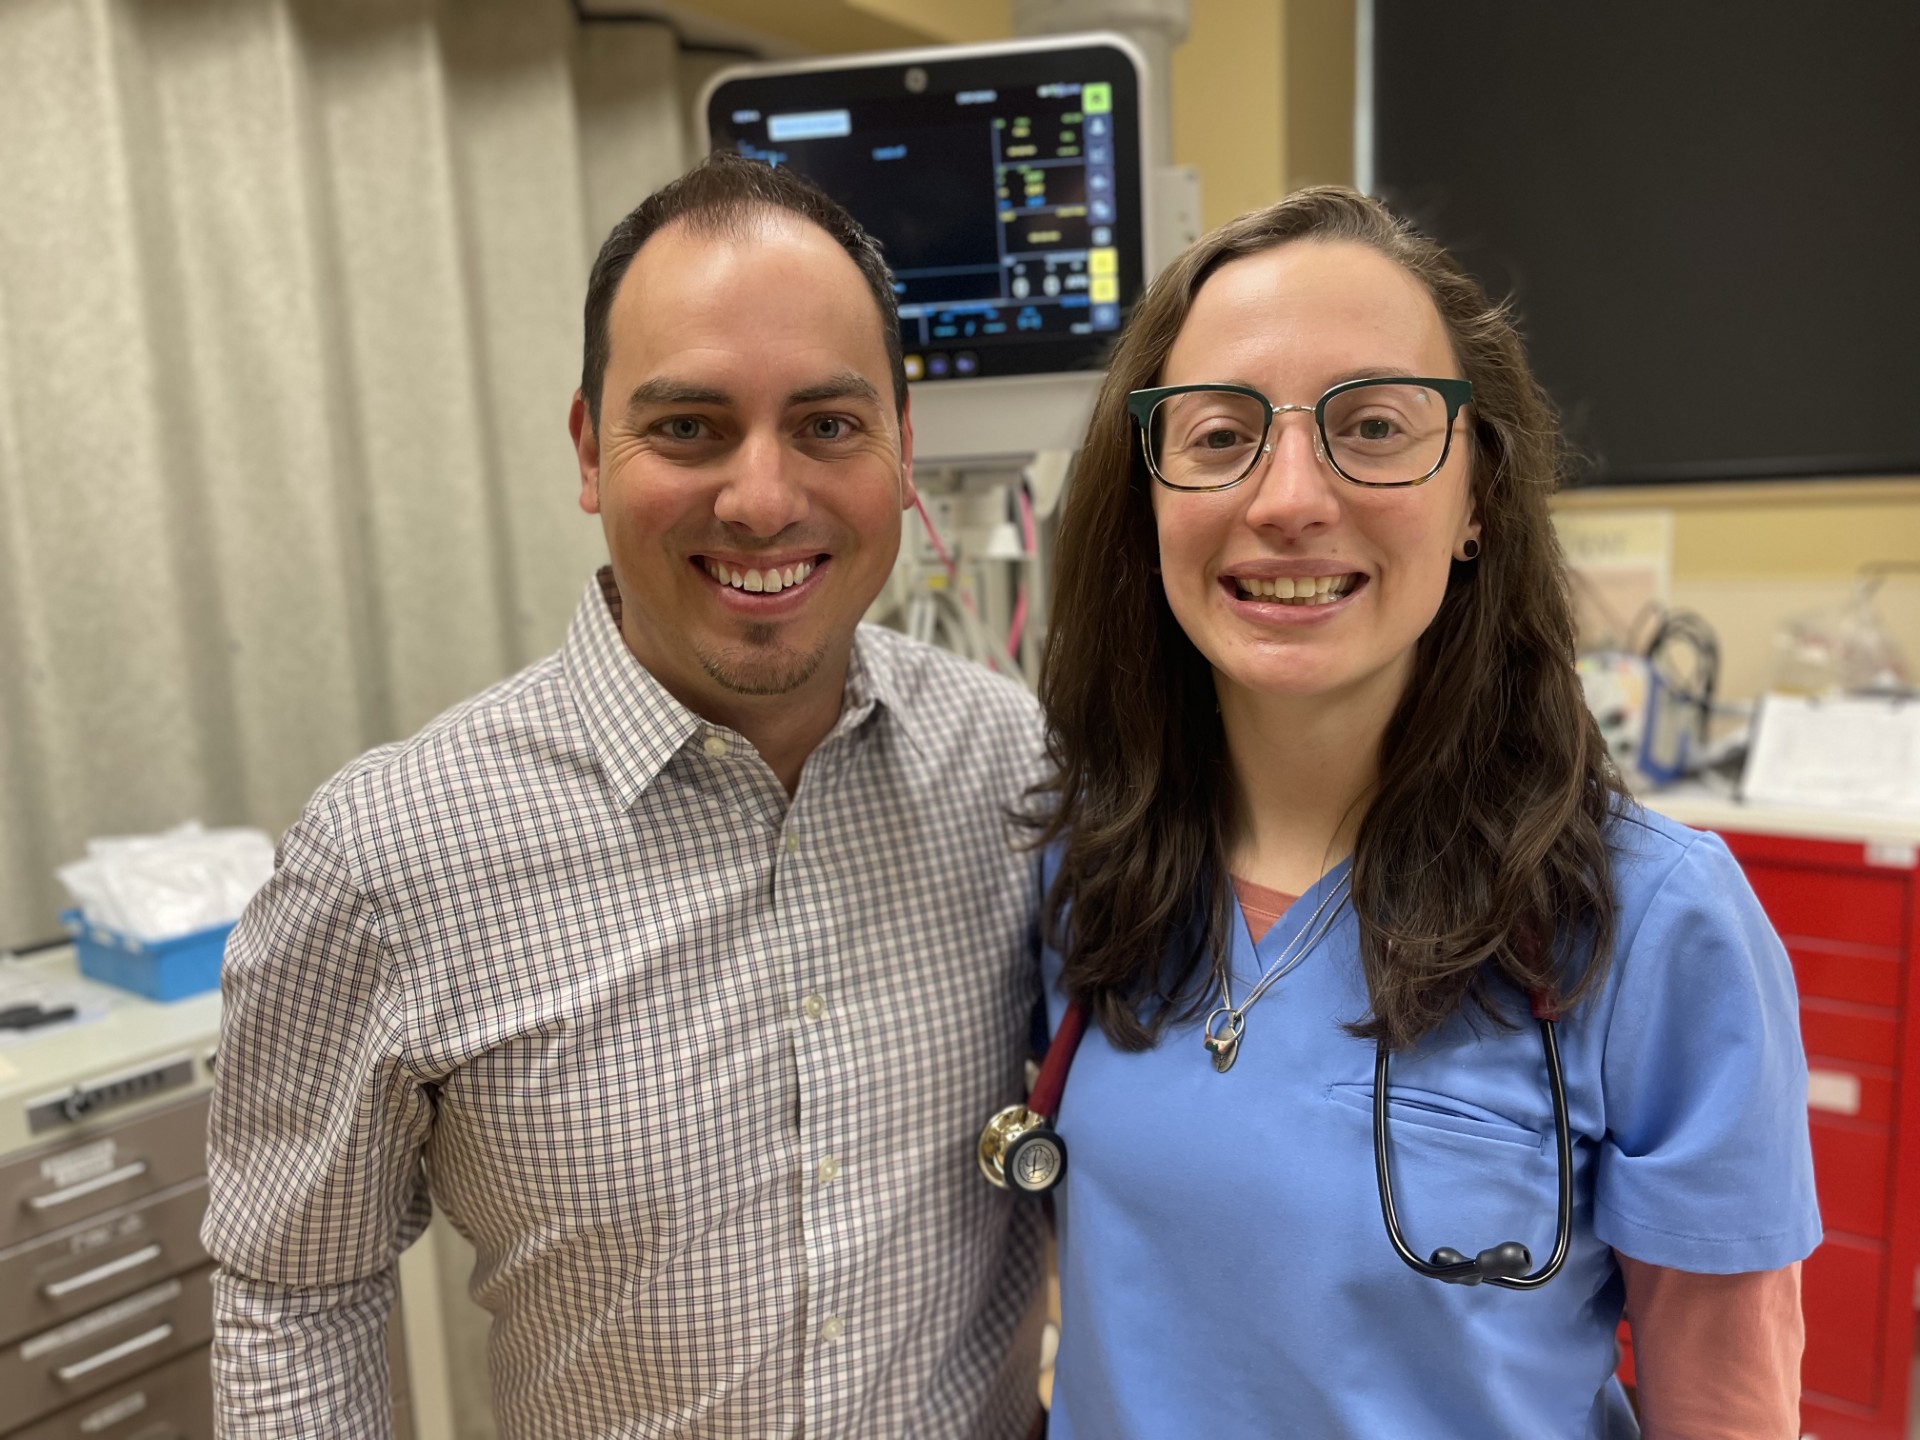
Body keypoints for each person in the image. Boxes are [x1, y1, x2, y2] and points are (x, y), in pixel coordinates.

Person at [203, 152, 1047, 1439]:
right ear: (593, 449)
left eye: (828, 423)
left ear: (901, 449)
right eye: (689, 426)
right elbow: (294, 1291)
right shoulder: (387, 860)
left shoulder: (1013, 767)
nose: (764, 499)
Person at [1026, 187, 1820, 1438]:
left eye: (1377, 426)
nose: (1288, 497)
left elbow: (1725, 1411)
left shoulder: (1651, 925)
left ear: (1477, 500)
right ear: (1150, 496)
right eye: (1221, 434)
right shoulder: (1084, 866)